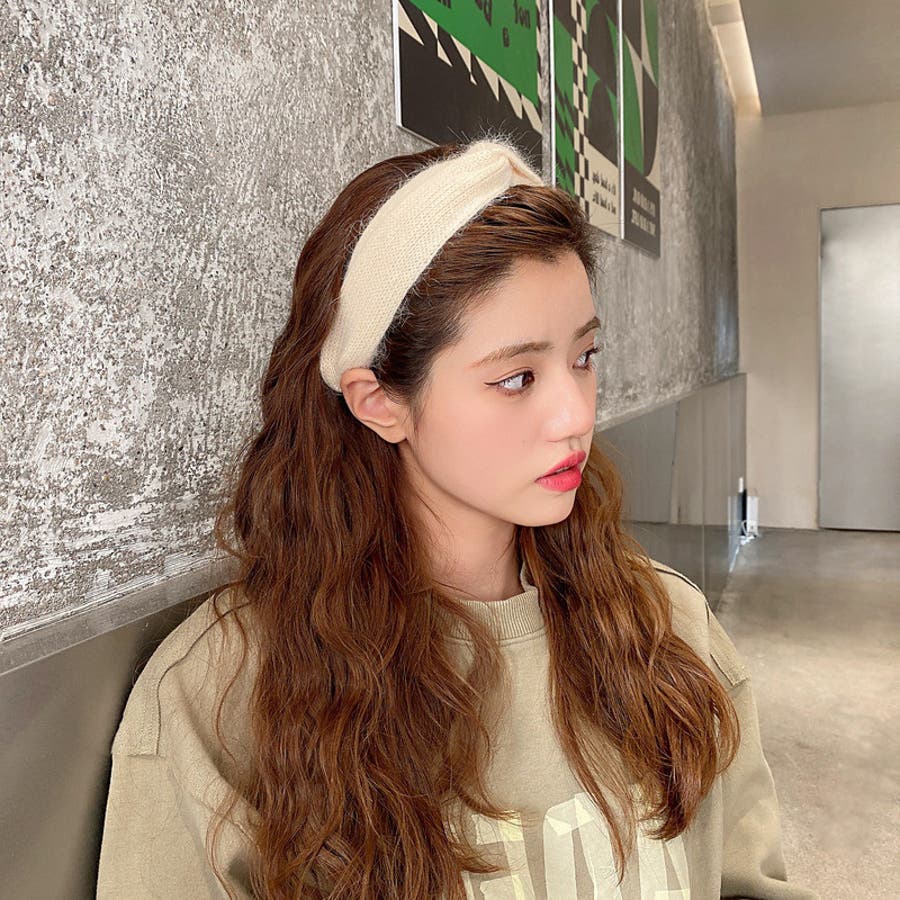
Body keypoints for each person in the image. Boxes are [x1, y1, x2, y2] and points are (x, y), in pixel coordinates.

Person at [96, 136, 818, 899]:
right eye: (517, 378)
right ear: (380, 401)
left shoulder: (666, 627)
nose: (575, 415)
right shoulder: (225, 695)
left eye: (584, 356)